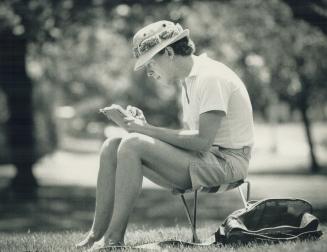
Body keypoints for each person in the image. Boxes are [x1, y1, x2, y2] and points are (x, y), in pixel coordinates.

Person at [76, 20, 254, 250]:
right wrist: (145, 127)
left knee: (132, 144)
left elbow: (201, 141)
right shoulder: (189, 82)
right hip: (206, 159)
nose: (149, 72)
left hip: (228, 163)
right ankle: (95, 235)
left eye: (150, 63)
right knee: (112, 145)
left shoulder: (210, 78)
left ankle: (113, 241)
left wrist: (144, 131)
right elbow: (190, 140)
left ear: (168, 52)